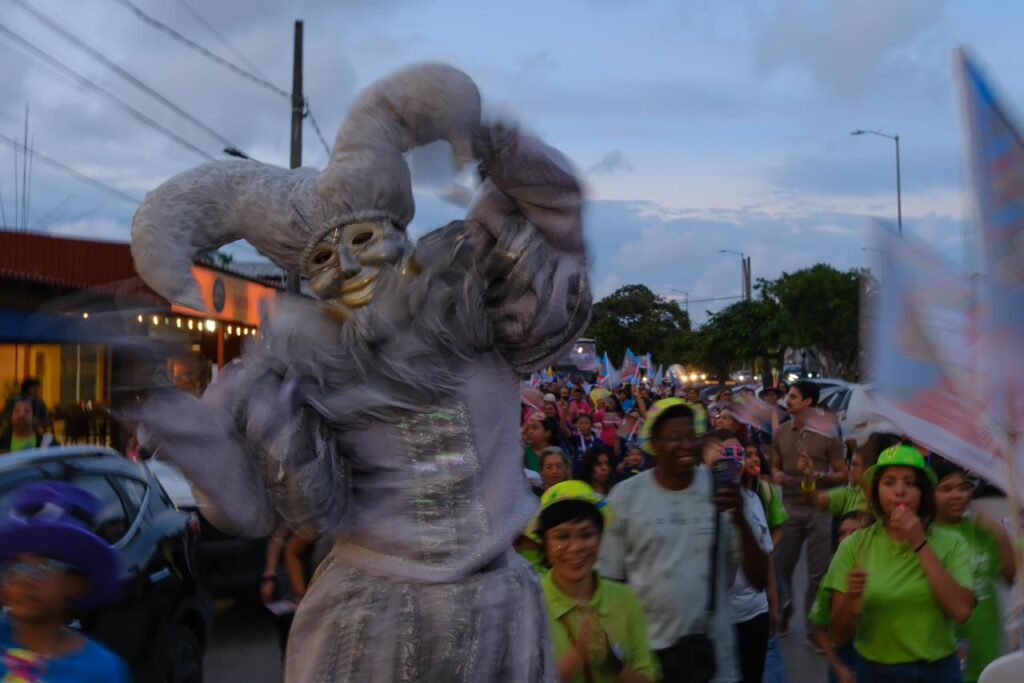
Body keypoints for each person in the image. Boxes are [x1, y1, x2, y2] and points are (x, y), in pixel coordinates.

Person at [133, 64, 588, 681]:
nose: (346, 264)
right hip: (371, 621)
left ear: (400, 235)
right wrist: (185, 426)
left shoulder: (482, 313)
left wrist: (494, 144)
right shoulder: (302, 379)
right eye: (320, 257)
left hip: (497, 617)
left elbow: (557, 212)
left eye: (364, 237)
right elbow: (242, 510)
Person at [599, 399, 769, 683]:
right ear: (653, 442)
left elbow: (758, 578)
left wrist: (739, 517)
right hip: (647, 658)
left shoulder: (720, 490)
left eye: (691, 436)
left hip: (712, 658)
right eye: (674, 438)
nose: (685, 445)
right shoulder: (626, 497)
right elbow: (610, 582)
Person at [822, 445, 976, 682]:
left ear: (923, 492)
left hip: (938, 671)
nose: (900, 492)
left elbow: (961, 610)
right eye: (889, 482)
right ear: (876, 492)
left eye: (910, 483)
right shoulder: (855, 545)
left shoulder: (952, 543)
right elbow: (839, 635)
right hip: (875, 672)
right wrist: (852, 599)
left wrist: (919, 541)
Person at [0, 481, 129, 681]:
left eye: (43, 567)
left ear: (76, 584)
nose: (24, 578)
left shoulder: (100, 671)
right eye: (13, 568)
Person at [535, 481, 659, 683]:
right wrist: (578, 655)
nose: (575, 547)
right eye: (562, 536)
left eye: (586, 534)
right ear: (544, 544)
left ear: (600, 538)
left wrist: (613, 665)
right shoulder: (530, 605)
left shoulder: (625, 599)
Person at [932, 456, 1016, 682]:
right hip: (946, 641)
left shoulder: (981, 530)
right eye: (946, 489)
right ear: (931, 494)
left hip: (986, 640)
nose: (957, 495)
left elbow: (1009, 577)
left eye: (962, 488)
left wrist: (999, 534)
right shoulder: (924, 537)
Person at [772, 380, 846, 635]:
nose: (787, 400)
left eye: (793, 396)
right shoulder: (780, 432)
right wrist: (776, 474)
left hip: (819, 507)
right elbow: (775, 465)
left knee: (818, 573)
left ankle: (814, 627)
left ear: (808, 402)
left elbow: (842, 474)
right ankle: (784, 609)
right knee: (781, 566)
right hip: (789, 506)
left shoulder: (828, 434)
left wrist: (816, 475)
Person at [708, 431, 775, 683]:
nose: (735, 460)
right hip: (720, 620)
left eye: (740, 454)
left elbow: (766, 556)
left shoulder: (754, 500)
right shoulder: (701, 504)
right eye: (726, 453)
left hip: (754, 613)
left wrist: (773, 606)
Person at [808, 511, 871, 683]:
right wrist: (837, 667)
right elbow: (819, 628)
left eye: (855, 532)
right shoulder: (833, 578)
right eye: (842, 533)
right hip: (846, 660)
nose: (846, 538)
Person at [798, 450, 869, 518]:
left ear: (869, 468)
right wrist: (808, 478)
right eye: (848, 464)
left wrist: (860, 523)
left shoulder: (877, 495)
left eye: (854, 464)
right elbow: (814, 500)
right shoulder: (848, 492)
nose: (847, 469)